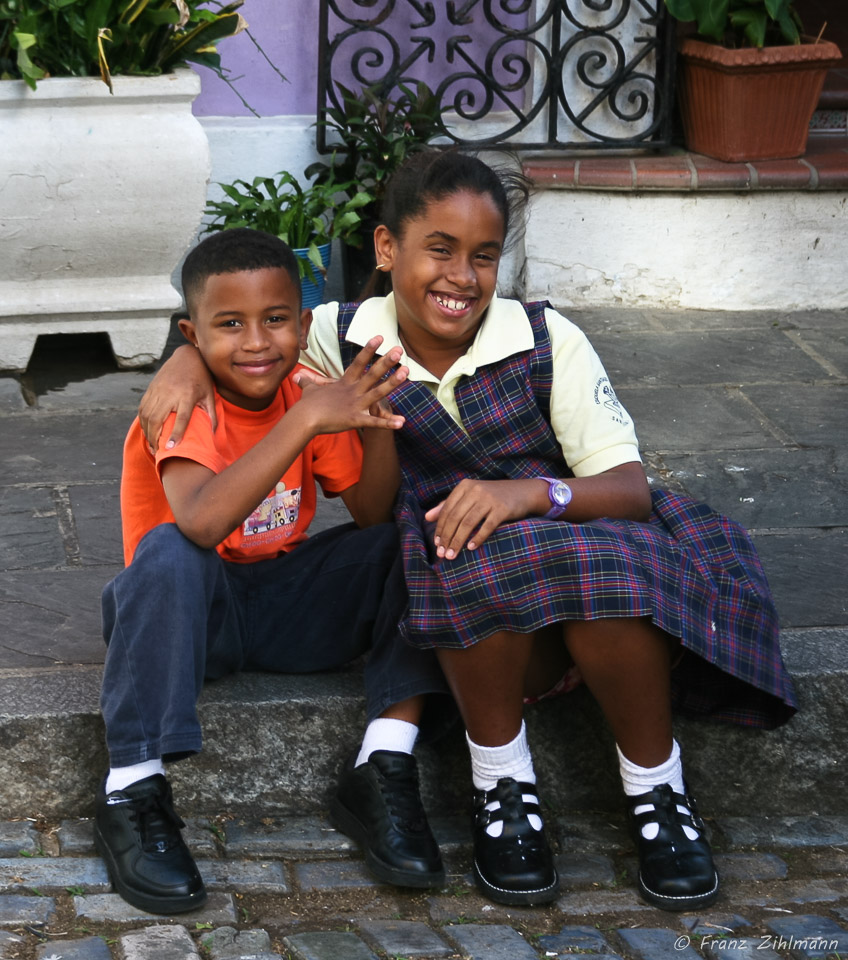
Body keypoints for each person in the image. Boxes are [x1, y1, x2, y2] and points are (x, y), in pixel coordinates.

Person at [140, 154, 797, 911]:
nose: (462, 276)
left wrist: (527, 493)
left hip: (576, 537)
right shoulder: (341, 335)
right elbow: (245, 332)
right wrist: (183, 359)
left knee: (609, 572)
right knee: (458, 554)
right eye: (440, 249)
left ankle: (658, 792)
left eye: (484, 256)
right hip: (468, 586)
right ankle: (501, 787)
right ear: (387, 250)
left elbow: (626, 490)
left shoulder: (547, 340)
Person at [98, 228, 450, 916]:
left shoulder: (308, 392)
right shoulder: (181, 404)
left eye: (277, 319)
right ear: (190, 335)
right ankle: (131, 790)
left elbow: (373, 514)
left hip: (282, 603)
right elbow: (199, 521)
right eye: (229, 324)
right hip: (190, 617)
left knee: (408, 541)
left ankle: (384, 760)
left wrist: (373, 427)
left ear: (305, 322)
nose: (257, 342)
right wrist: (307, 421)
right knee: (171, 550)